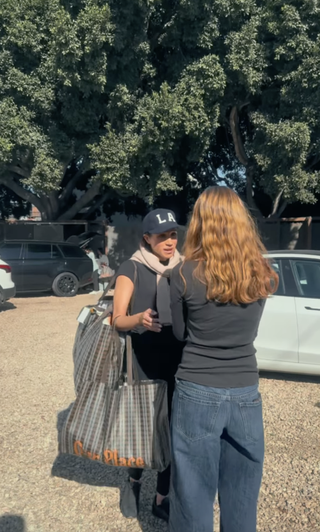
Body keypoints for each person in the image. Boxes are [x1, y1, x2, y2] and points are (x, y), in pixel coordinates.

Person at [169, 187, 279, 532]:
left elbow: (179, 333)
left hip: (197, 387)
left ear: (199, 223)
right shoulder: (262, 272)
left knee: (193, 493)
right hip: (246, 390)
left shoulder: (183, 274)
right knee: (243, 494)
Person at [112, 209, 184, 522]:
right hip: (143, 358)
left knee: (171, 432)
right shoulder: (132, 267)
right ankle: (133, 483)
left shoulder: (183, 268)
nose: (169, 241)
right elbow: (117, 320)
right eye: (161, 236)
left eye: (173, 234)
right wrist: (139, 319)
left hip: (179, 359)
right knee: (144, 432)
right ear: (147, 238)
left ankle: (161, 497)